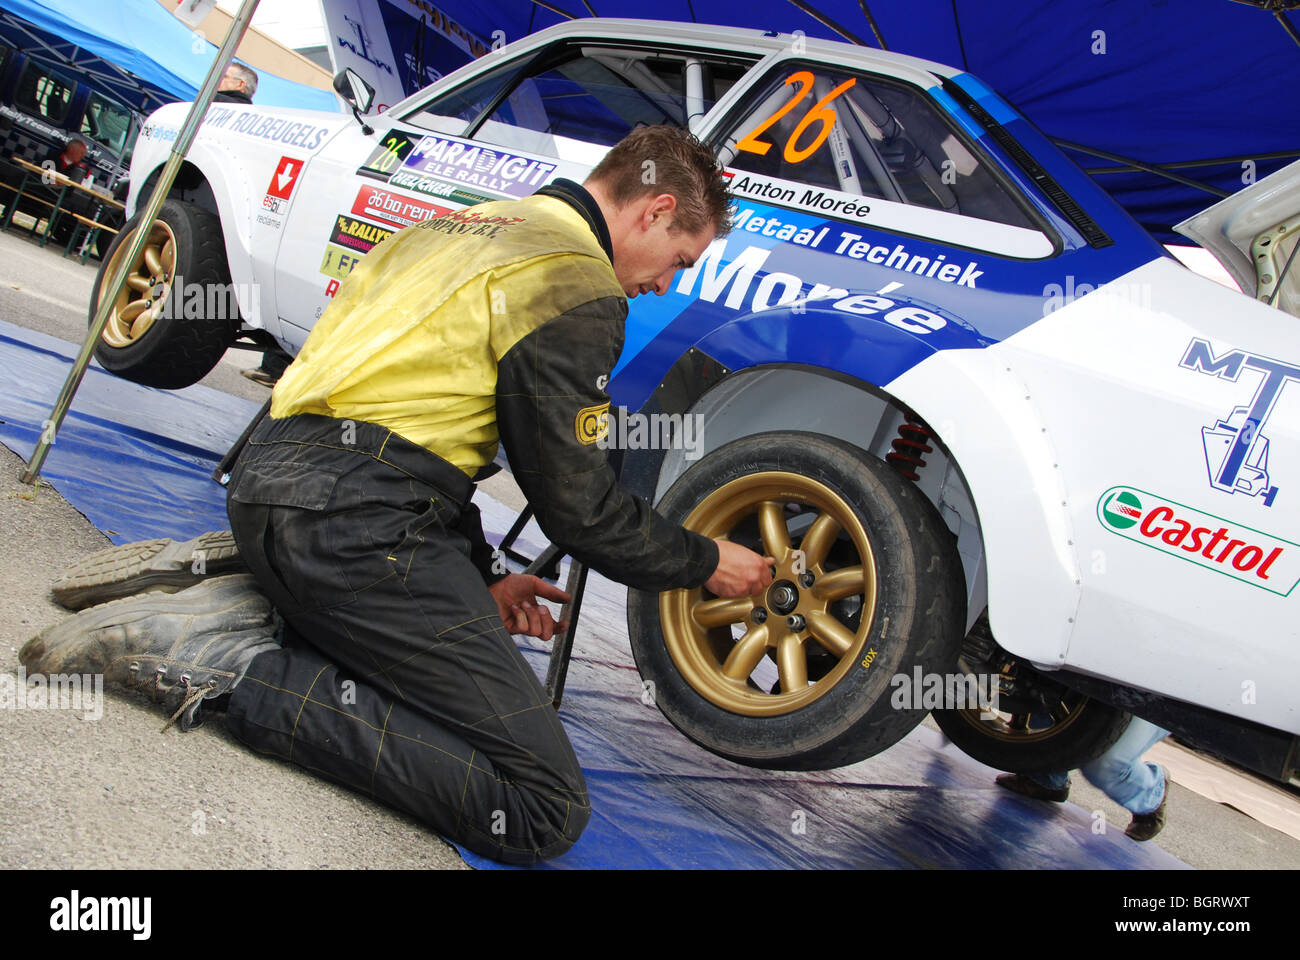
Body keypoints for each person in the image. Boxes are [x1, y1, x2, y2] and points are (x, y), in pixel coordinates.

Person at [22, 125, 774, 865]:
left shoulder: (462, 226)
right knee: (543, 805)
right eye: (678, 258)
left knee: (397, 584)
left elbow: (416, 418)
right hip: (353, 527)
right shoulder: (574, 281)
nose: (664, 284)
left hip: (270, 487)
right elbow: (578, 507)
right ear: (655, 210)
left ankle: (250, 582)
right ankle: (227, 668)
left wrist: (476, 581)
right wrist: (704, 560)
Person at [212, 62, 290, 385]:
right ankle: (275, 363)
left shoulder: (220, 110)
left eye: (225, 77)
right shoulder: (256, 122)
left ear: (240, 87)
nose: (219, 81)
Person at [994, 717, 1171, 841]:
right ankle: (1045, 776)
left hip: (1155, 690)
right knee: (1041, 681)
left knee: (1103, 764)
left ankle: (1150, 793)